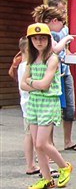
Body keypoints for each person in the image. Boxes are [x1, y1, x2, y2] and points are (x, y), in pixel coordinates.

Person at [20, 23, 73, 189]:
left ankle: (64, 166)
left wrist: (31, 82)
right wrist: (35, 84)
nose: (39, 42)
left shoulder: (53, 58)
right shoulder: (30, 59)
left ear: (49, 40)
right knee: (37, 144)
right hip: (34, 103)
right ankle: (47, 178)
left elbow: (45, 84)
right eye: (35, 39)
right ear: (30, 41)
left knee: (42, 143)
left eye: (42, 38)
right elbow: (23, 84)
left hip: (48, 103)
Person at [47, 0, 76, 151]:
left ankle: (68, 141)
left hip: (65, 71)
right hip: (52, 73)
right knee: (50, 109)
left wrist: (73, 57)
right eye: (62, 10)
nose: (65, 13)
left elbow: (64, 50)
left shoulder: (65, 29)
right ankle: (49, 144)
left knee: (70, 108)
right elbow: (54, 50)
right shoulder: (45, 30)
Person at [16, 37, 39, 175]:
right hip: (33, 104)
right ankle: (36, 164)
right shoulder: (27, 66)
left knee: (29, 135)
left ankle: (31, 164)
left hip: (26, 105)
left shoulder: (21, 65)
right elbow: (26, 86)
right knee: (35, 136)